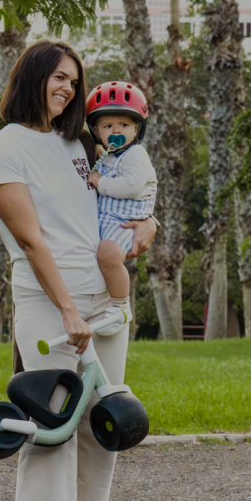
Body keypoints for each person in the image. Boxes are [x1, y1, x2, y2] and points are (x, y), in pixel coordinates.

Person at [0, 40, 157, 501]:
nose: (67, 88)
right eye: (59, 77)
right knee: (50, 416)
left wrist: (150, 226)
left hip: (104, 298)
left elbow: (128, 196)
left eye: (74, 81)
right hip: (48, 302)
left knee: (104, 418)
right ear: (32, 76)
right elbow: (31, 240)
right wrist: (67, 311)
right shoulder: (3, 149)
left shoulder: (80, 143)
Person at [82, 80, 156, 335]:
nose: (116, 130)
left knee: (109, 255)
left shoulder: (135, 155)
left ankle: (121, 306)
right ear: (96, 130)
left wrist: (100, 182)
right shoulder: (108, 155)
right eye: (108, 126)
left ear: (137, 129)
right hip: (109, 220)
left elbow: (131, 186)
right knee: (104, 254)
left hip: (125, 219)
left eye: (124, 125)